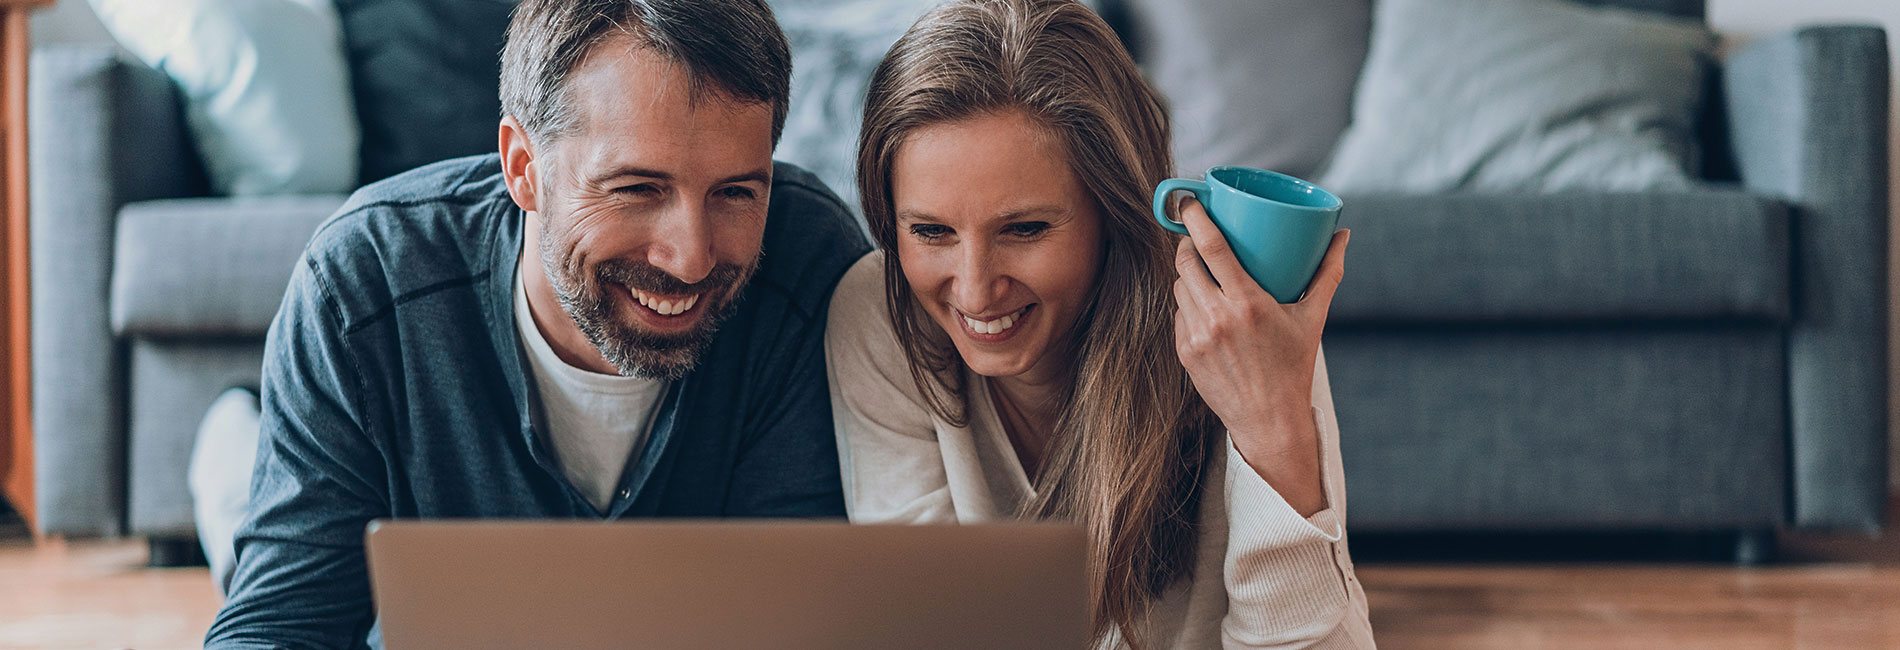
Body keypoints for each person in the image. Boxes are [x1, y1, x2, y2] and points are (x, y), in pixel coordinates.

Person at [205, 0, 869, 646]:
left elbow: (800, 618)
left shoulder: (812, 266)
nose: (691, 258)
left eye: (734, 192)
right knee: (249, 525)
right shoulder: (363, 281)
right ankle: (233, 441)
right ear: (523, 168)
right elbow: (280, 623)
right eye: (636, 189)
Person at [826, 0, 1375, 648]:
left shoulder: (1236, 324)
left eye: (1025, 229)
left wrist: (1273, 426)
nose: (974, 288)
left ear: (1113, 214)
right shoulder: (883, 315)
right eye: (931, 232)